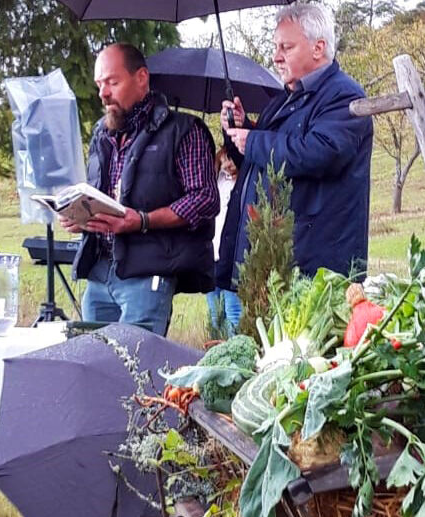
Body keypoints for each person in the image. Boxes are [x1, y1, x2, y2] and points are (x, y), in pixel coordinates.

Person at [60, 43, 218, 336]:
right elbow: (100, 194)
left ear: (142, 78)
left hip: (148, 274)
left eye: (112, 82)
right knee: (95, 371)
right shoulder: (101, 133)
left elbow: (205, 199)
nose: (103, 93)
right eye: (99, 84)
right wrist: (79, 216)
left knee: (135, 370)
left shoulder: (184, 130)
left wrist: (142, 220)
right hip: (98, 272)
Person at [217, 3, 373, 292]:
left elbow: (318, 153)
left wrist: (253, 140)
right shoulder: (283, 99)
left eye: (286, 47)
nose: (276, 57)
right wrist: (242, 130)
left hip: (314, 269)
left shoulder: (344, 96)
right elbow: (260, 164)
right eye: (275, 47)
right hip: (276, 262)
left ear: (318, 48)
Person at [206, 147, 242, 334]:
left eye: (233, 160)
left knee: (233, 310)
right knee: (214, 312)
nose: (228, 165)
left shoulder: (243, 184)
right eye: (226, 159)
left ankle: (235, 351)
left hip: (232, 256)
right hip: (213, 252)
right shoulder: (216, 181)